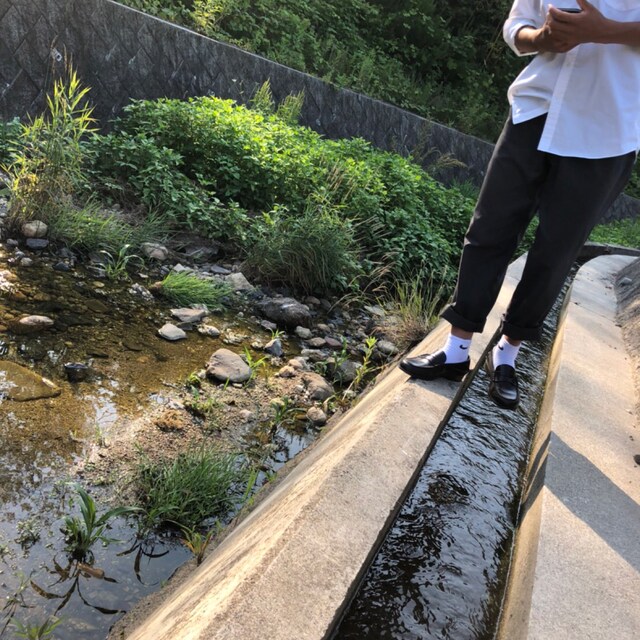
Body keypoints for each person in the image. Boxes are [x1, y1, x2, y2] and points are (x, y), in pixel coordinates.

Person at [400, 0, 640, 408]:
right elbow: (516, 28)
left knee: (556, 250)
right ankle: (456, 350)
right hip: (535, 109)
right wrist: (542, 37)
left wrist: (602, 31)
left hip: (608, 131)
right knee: (489, 227)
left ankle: (507, 354)